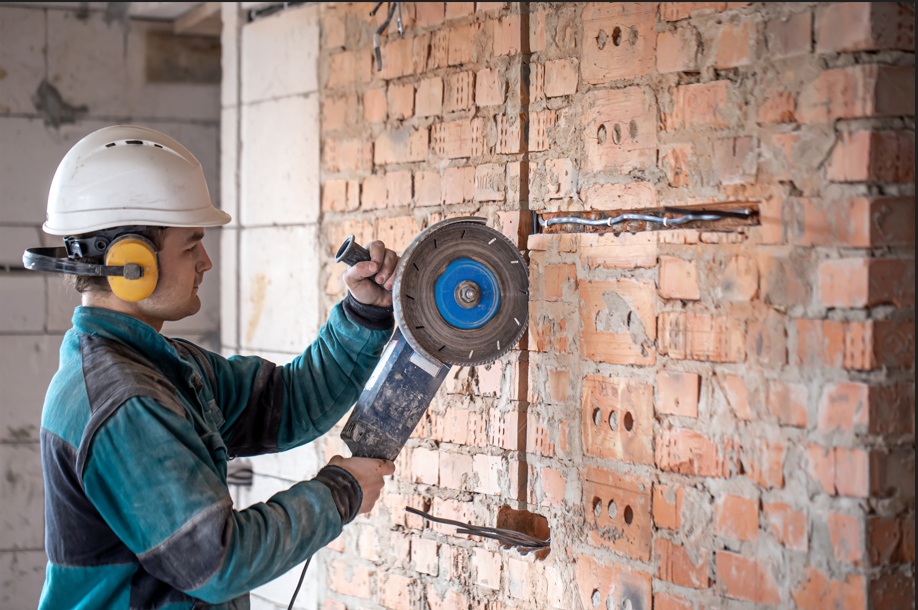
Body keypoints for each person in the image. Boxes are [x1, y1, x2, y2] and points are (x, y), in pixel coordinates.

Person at [28, 125, 397, 610]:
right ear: (130, 265)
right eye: (190, 245)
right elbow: (217, 561)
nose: (204, 261)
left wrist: (362, 312)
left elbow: (290, 403)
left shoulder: (162, 367)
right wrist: (339, 492)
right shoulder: (125, 402)